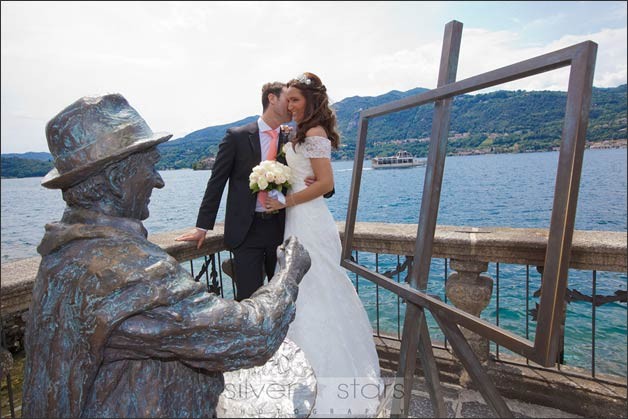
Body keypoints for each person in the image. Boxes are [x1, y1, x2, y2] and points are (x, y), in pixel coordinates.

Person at [21, 93, 311, 418]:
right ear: (117, 179)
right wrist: (289, 273)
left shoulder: (61, 253)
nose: (158, 181)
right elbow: (253, 334)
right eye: (151, 166)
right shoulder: (129, 274)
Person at [265, 72, 382, 417]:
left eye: (296, 100)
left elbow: (326, 182)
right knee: (300, 290)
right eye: (288, 100)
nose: (290, 105)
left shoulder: (314, 134)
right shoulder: (298, 133)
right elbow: (308, 177)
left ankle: (328, 380)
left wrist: (286, 201)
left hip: (309, 219)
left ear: (311, 102)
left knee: (319, 289)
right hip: (295, 218)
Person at [176, 82, 331, 301]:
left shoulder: (292, 139)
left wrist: (318, 183)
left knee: (286, 298)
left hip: (283, 228)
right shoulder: (237, 136)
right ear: (272, 98)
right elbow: (216, 183)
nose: (291, 105)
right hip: (246, 232)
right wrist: (202, 227)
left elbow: (320, 180)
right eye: (288, 98)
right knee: (249, 300)